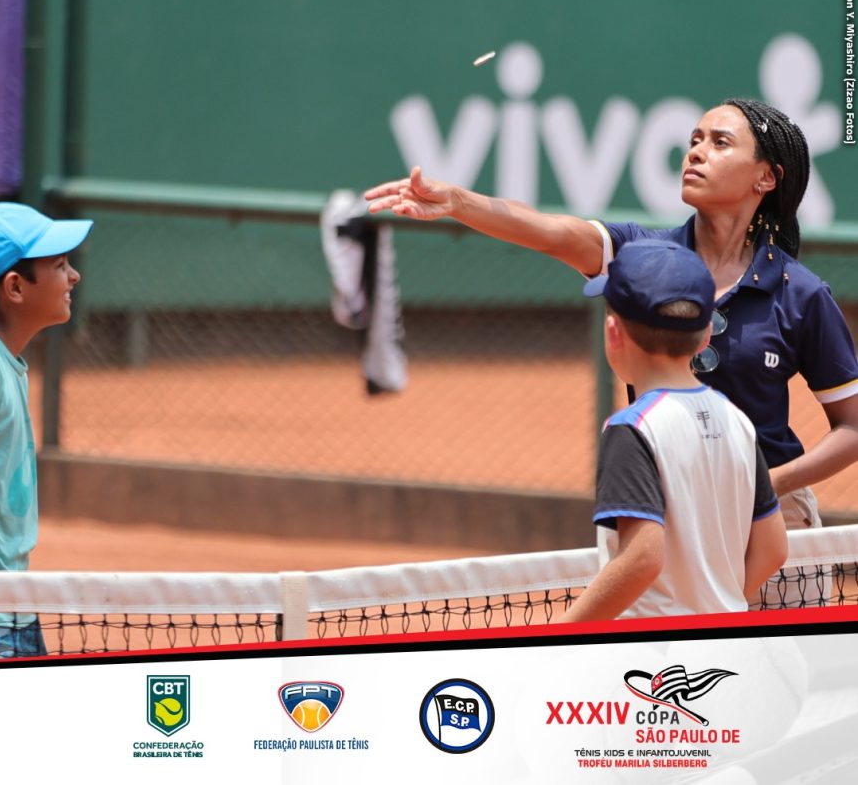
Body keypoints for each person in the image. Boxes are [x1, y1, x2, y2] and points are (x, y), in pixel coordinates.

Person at [366, 98, 858, 607]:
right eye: (694, 139)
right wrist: (456, 202)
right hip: (666, 506)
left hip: (775, 522)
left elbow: (853, 426)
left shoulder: (800, 293)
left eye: (720, 142)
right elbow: (552, 231)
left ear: (766, 178)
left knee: (777, 658)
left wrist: (766, 483)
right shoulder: (645, 258)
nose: (695, 152)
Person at [558, 239, 786, 619]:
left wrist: (557, 637)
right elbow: (773, 548)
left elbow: (642, 559)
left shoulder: (631, 429)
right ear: (706, 335)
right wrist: (714, 606)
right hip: (729, 639)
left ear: (613, 333)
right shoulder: (738, 420)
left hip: (653, 653)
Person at [0, 202, 92, 657]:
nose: (74, 276)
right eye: (59, 265)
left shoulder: (8, 365)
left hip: (16, 608)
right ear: (15, 287)